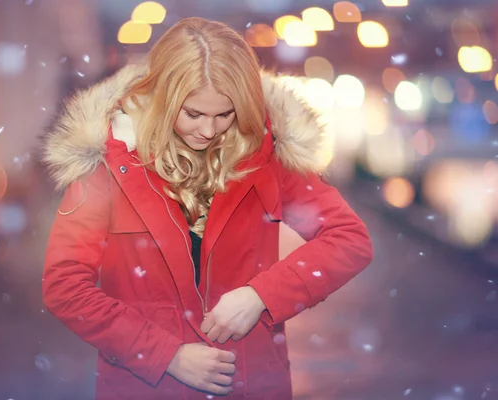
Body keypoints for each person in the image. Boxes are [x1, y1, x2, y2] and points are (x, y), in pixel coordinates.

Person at [41, 17, 373, 400]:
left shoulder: (267, 158)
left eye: (225, 114)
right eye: (193, 114)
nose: (209, 130)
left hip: (251, 386)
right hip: (145, 388)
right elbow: (64, 286)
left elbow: (349, 240)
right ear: (162, 100)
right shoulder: (108, 166)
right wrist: (165, 356)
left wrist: (261, 296)